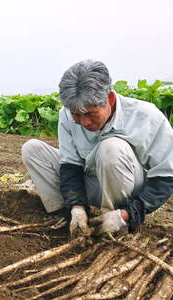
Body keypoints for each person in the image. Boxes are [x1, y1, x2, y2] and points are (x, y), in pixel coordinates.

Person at [22, 60, 173, 236]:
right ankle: (70, 217)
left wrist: (128, 214)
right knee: (32, 149)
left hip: (129, 189)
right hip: (92, 181)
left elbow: (166, 175)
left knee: (111, 148)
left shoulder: (147, 117)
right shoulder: (66, 115)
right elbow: (70, 164)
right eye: (76, 115)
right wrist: (76, 205)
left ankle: (115, 222)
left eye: (90, 113)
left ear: (108, 98)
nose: (84, 122)